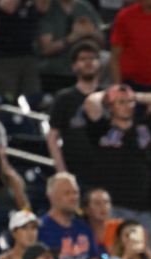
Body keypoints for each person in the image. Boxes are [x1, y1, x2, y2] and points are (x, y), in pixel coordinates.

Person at [83, 84, 151, 247]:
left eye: (129, 102)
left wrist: (135, 95)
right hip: (115, 206)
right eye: (121, 102)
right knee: (116, 254)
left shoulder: (144, 128)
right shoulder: (102, 129)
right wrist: (111, 92)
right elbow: (90, 102)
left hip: (147, 207)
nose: (127, 106)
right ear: (111, 106)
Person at [46, 41, 101, 181]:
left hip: (107, 171)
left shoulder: (109, 96)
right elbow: (52, 137)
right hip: (76, 171)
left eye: (93, 58)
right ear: (74, 66)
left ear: (99, 63)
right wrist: (62, 172)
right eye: (83, 59)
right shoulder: (64, 98)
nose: (89, 63)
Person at [38, 172, 99, 259]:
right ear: (51, 196)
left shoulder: (84, 227)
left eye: (76, 193)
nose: (74, 197)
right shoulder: (40, 229)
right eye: (67, 193)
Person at [36, 0, 103, 95]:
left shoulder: (84, 7)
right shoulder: (49, 8)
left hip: (80, 75)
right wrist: (73, 37)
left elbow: (102, 41)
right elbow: (46, 49)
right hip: (52, 74)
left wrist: (90, 32)